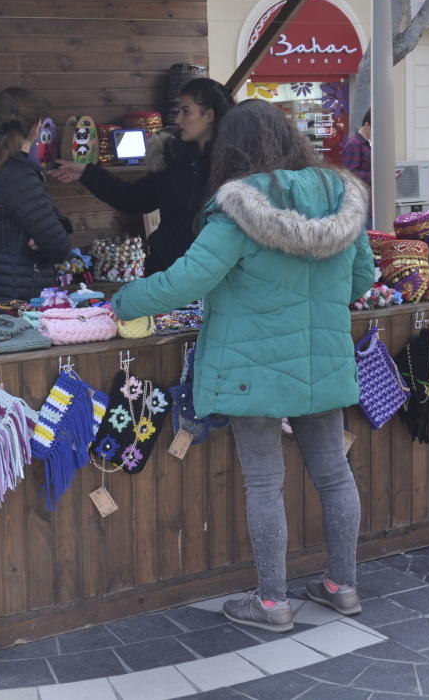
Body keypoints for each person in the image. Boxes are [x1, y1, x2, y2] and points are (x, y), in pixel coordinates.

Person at [112, 99, 373, 632]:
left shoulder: (237, 209)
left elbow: (185, 281)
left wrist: (121, 302)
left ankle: (272, 603)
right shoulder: (338, 197)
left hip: (251, 369)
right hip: (321, 363)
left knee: (263, 482)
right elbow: (361, 279)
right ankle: (342, 587)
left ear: (231, 147)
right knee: (334, 474)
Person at [50, 78, 233, 275]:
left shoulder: (233, 168)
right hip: (167, 275)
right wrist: (87, 172)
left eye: (186, 111)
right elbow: (134, 199)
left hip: (214, 279)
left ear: (209, 115)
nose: (178, 119)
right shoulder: (172, 159)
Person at [0, 87, 73, 313]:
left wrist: (52, 229)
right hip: (18, 304)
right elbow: (58, 246)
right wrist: (57, 231)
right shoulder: (18, 175)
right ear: (38, 126)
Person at [339, 109, 371, 186]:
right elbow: (351, 173)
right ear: (367, 125)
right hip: (361, 191)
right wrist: (374, 175)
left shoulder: (365, 143)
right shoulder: (354, 144)